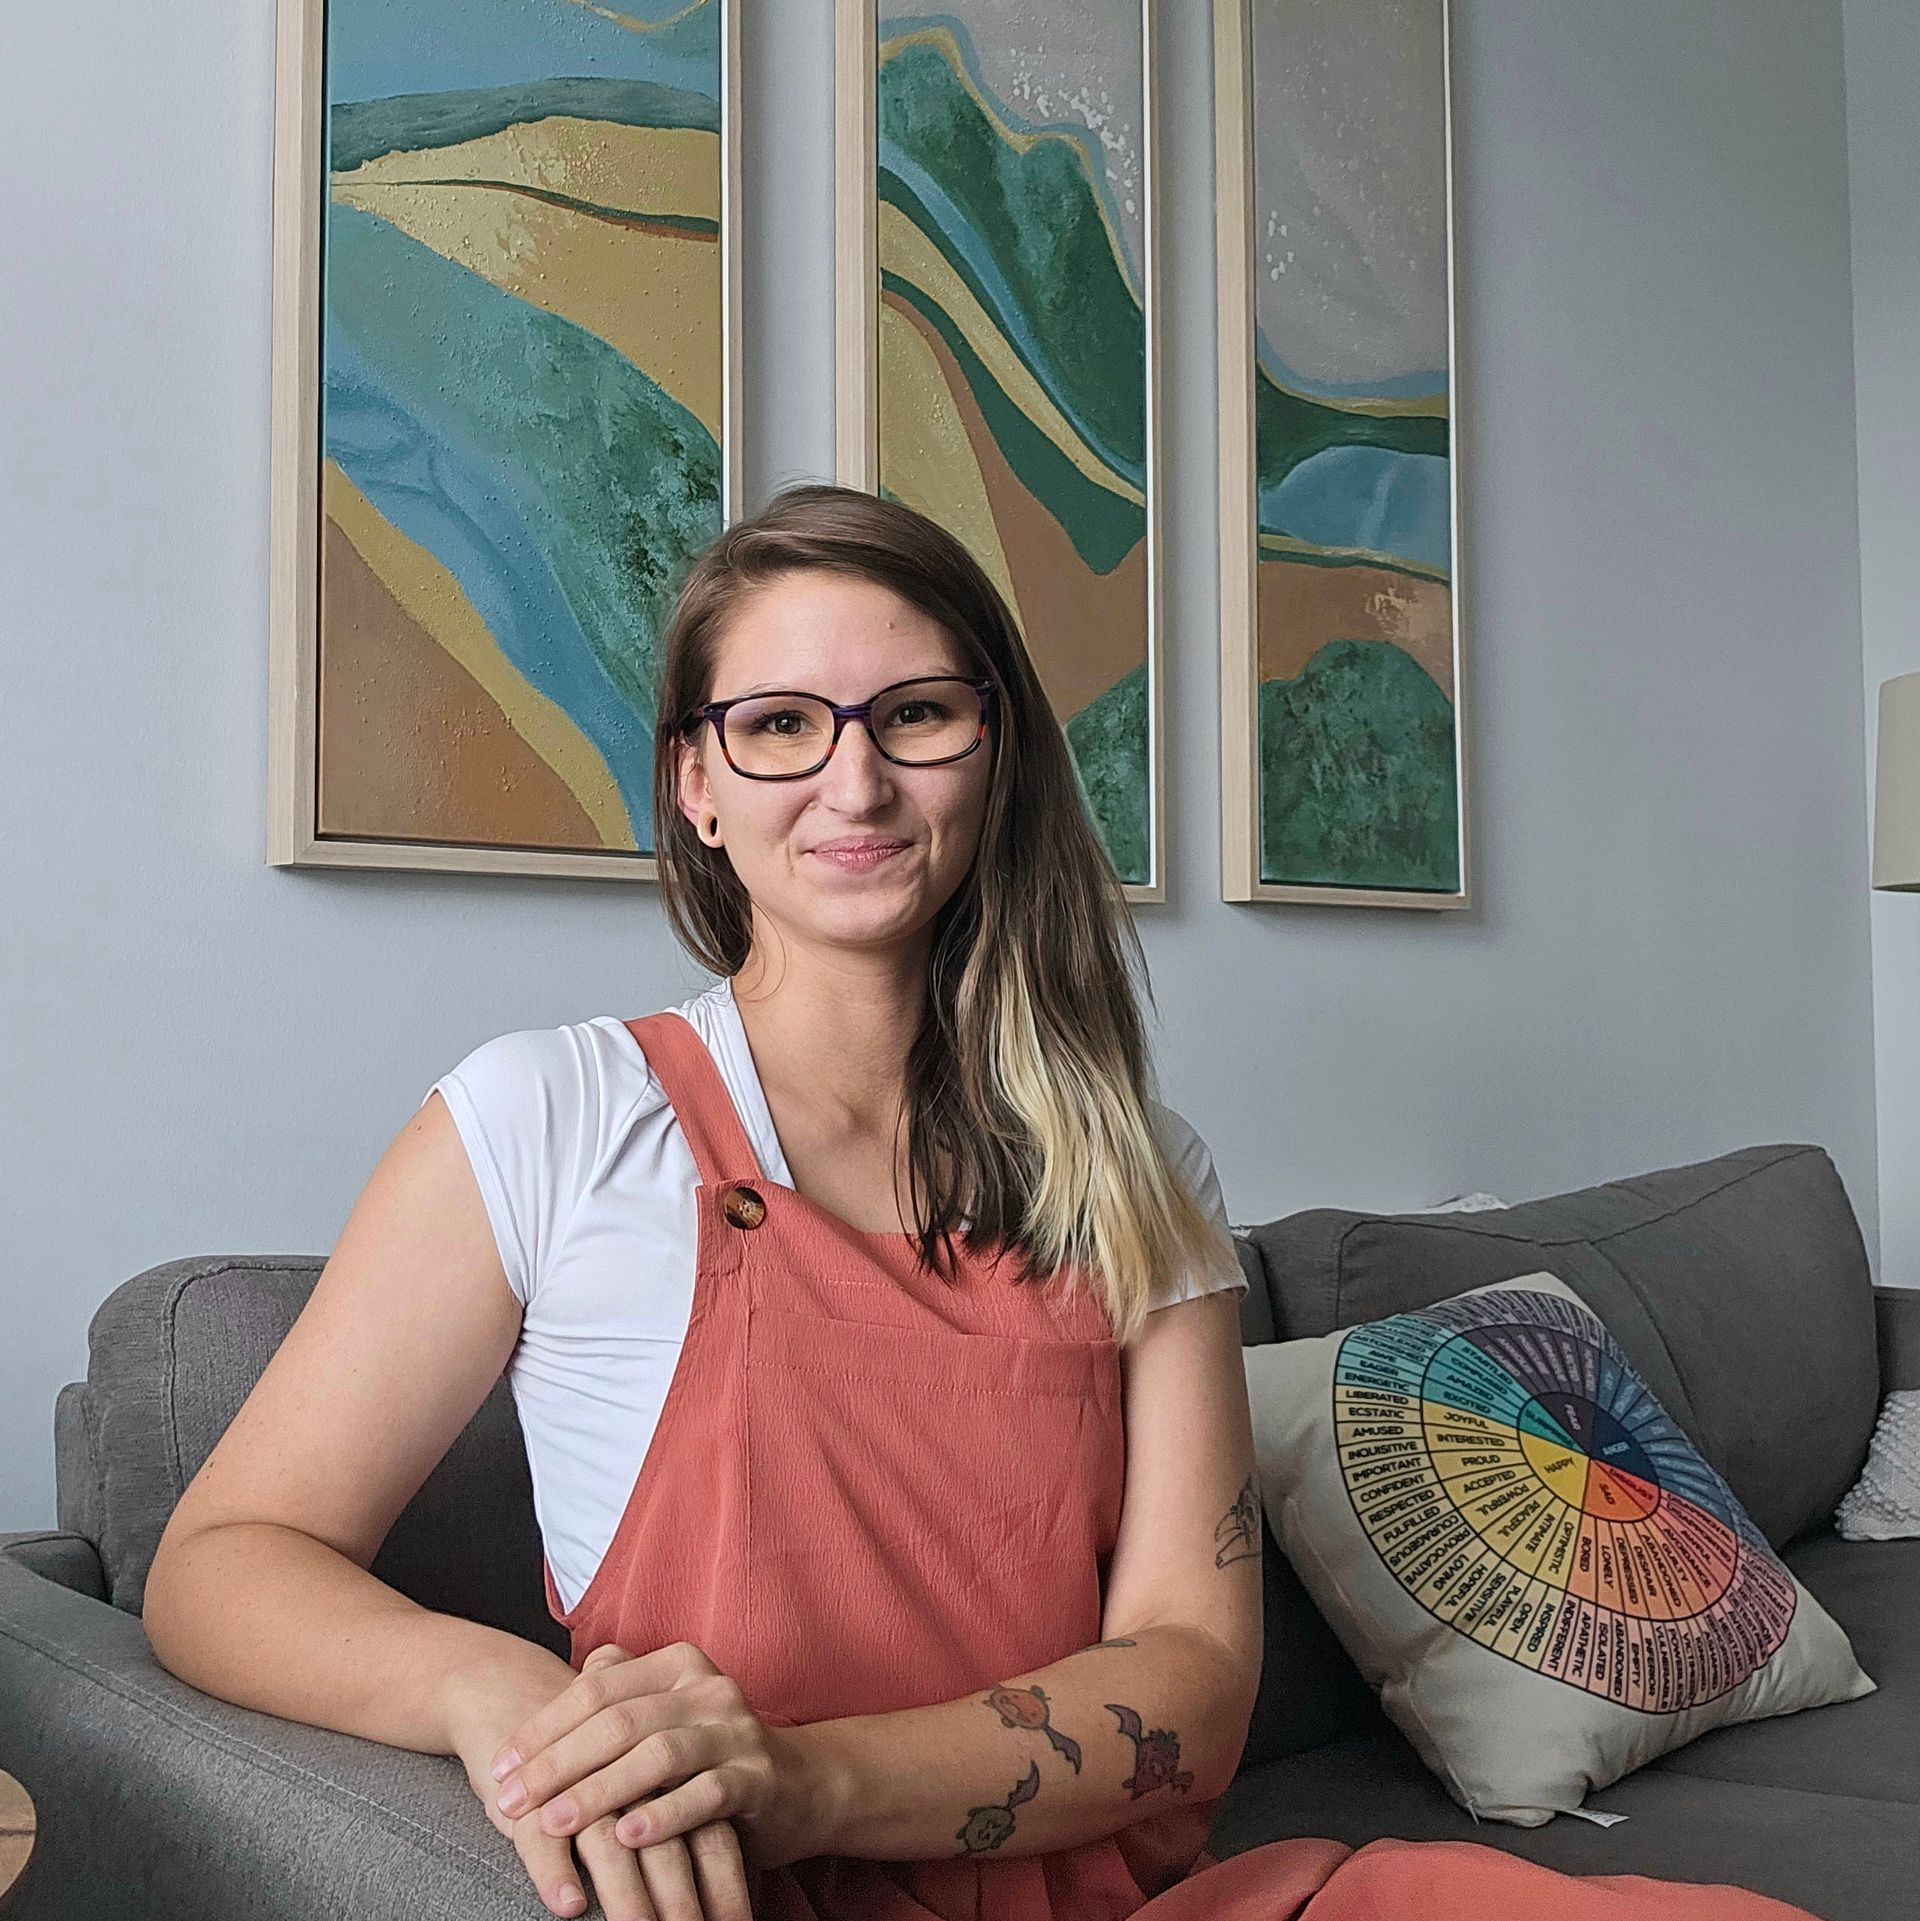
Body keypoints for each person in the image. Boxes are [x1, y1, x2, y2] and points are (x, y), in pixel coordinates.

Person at [145, 484, 1822, 1921]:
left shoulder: (1138, 1167)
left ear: (994, 758)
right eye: (780, 724)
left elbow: (1190, 1677)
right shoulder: (549, 1116)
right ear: (696, 788)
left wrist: (803, 1779)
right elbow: (225, 1560)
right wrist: (500, 1694)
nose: (855, 784)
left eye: (916, 715)